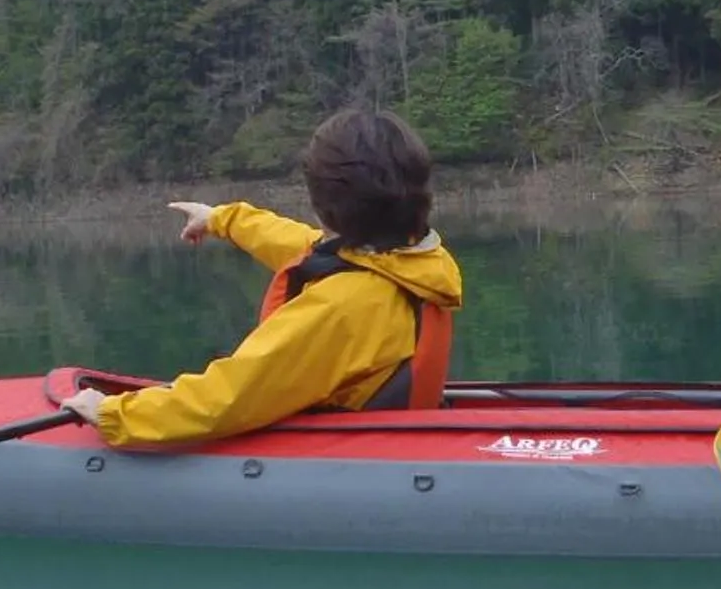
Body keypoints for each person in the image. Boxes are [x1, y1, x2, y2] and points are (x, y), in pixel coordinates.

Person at [63, 108, 464, 446]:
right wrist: (222, 219)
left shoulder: (343, 306)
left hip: (351, 452)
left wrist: (112, 413)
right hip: (398, 437)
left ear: (324, 205)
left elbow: (230, 396)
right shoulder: (416, 260)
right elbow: (302, 244)